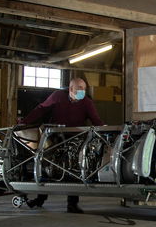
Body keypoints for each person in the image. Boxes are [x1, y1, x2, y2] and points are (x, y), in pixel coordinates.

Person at [20, 77, 104, 213]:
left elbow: (96, 120)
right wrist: (24, 122)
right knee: (46, 165)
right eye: (79, 89)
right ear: (70, 89)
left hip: (75, 139)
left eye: (84, 89)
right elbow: (42, 108)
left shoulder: (87, 102)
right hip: (55, 138)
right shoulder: (58, 96)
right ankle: (40, 198)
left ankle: (72, 204)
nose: (82, 92)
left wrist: (105, 132)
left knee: (74, 170)